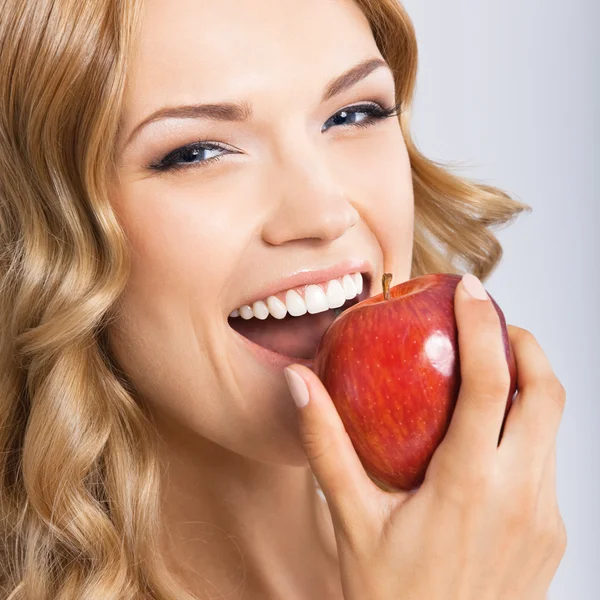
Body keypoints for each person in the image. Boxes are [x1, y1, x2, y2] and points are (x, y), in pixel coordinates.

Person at [0, 0, 567, 599]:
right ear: (42, 229)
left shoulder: (480, 561)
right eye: (195, 152)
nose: (325, 214)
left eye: (353, 113)